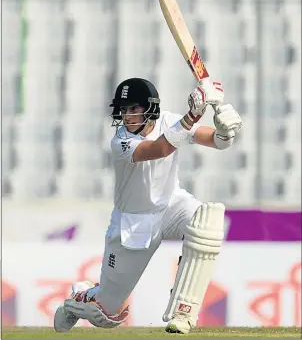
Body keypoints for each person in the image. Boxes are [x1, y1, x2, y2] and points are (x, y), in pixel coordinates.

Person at [54, 77, 243, 334]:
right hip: (133, 223)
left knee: (206, 221)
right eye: (124, 110)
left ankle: (183, 311)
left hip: (171, 206)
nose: (127, 116)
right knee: (106, 312)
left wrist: (225, 131)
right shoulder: (120, 142)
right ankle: (79, 299)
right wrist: (194, 114)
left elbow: (217, 142)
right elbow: (160, 148)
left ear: (150, 107)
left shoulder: (167, 120)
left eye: (133, 109)